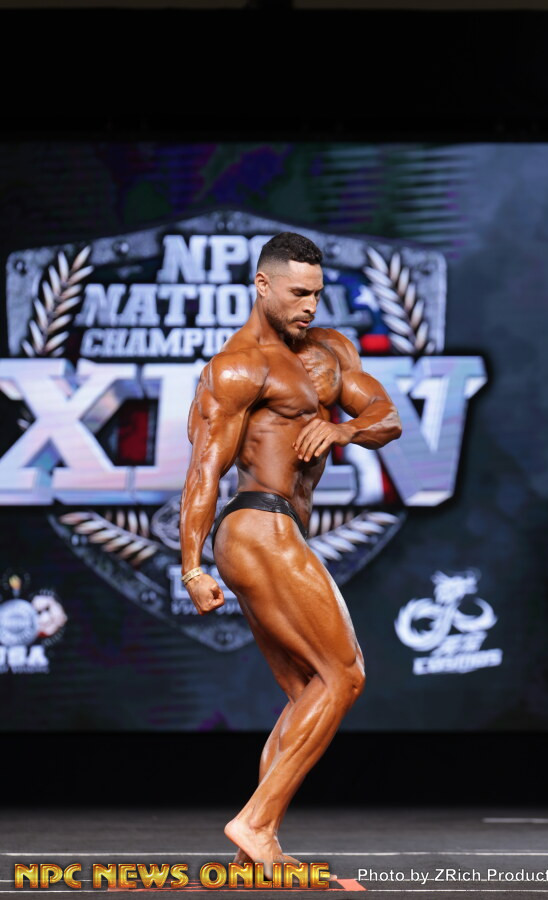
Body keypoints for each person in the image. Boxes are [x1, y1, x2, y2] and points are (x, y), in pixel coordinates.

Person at [179, 231, 402, 877]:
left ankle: (255, 850)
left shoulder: (330, 350)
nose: (309, 305)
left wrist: (342, 427)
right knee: (345, 675)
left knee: (309, 689)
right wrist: (191, 567)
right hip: (257, 524)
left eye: (317, 293)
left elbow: (386, 417)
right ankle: (255, 823)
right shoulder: (238, 366)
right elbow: (203, 472)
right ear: (263, 285)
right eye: (298, 292)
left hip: (281, 533)